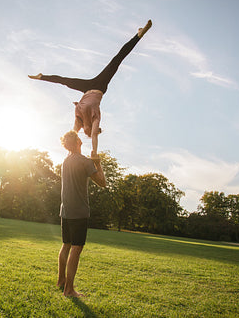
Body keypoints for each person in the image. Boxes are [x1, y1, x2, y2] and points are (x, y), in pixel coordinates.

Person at [29, 20, 152, 159]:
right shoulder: (95, 121)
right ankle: (139, 35)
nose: (85, 131)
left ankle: (41, 77)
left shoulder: (79, 122)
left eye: (85, 131)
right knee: (116, 61)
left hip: (86, 88)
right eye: (88, 132)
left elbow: (71, 135)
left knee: (65, 81)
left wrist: (69, 152)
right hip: (100, 86)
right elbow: (94, 135)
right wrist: (94, 152)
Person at [57, 130, 106, 297]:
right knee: (76, 249)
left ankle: (61, 281)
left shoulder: (65, 161)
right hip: (79, 212)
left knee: (66, 245)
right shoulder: (85, 162)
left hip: (65, 210)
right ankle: (69, 290)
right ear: (78, 141)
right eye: (78, 137)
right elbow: (102, 183)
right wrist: (97, 163)